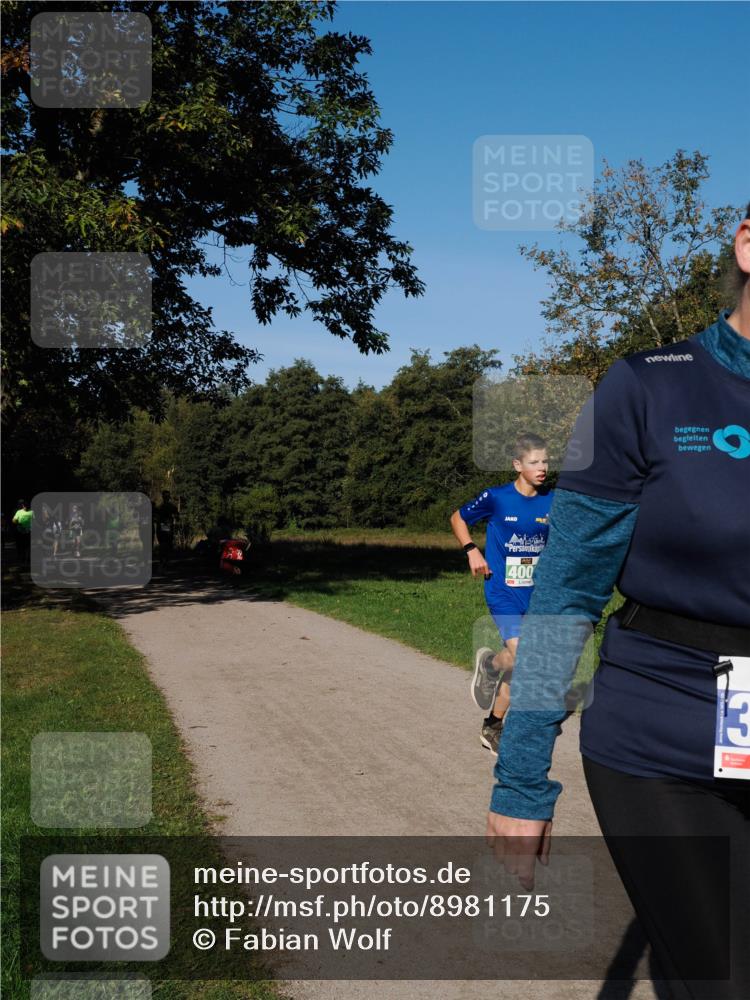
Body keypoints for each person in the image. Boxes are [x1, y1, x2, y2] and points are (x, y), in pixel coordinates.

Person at [485, 204, 750, 1000]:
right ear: (748, 243)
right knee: (721, 979)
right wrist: (523, 778)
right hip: (663, 732)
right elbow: (567, 590)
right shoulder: (649, 386)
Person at [450, 433, 553, 752]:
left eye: (545, 461)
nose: (542, 467)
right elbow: (457, 517)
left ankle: (492, 723)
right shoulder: (496, 497)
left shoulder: (554, 500)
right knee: (523, 656)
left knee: (521, 662)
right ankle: (492, 667)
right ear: (517, 465)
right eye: (534, 462)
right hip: (502, 590)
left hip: (536, 594)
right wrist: (471, 550)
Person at [154, 490, 179, 568]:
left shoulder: (160, 507)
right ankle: (165, 560)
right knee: (166, 543)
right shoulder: (169, 506)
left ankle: (163, 560)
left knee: (164, 544)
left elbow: (155, 517)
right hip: (165, 525)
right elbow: (177, 516)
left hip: (162, 526)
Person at [11, 499, 33, 563]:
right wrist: (18, 523)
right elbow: (13, 520)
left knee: (28, 545)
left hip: (28, 531)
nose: (24, 505)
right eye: (23, 504)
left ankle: (28, 558)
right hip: (19, 532)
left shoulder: (31, 512)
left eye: (25, 504)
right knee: (21, 545)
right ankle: (22, 557)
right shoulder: (17, 511)